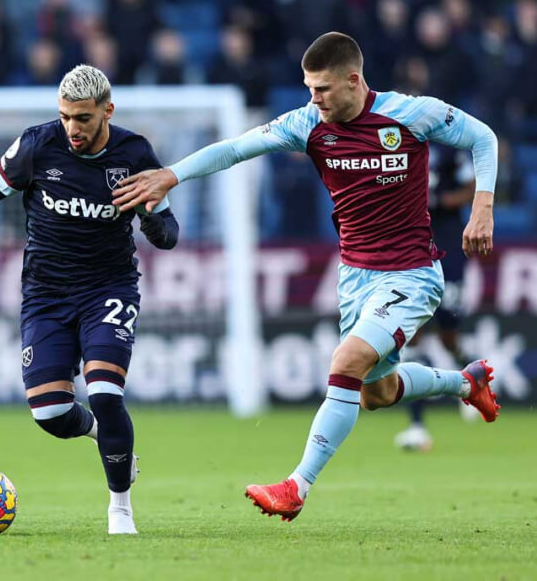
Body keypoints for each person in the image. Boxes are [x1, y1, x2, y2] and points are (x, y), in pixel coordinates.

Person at [112, 32, 500, 521]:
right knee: (376, 393)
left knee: (347, 361)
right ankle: (466, 382)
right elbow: (235, 148)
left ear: (353, 80)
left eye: (322, 89)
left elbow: (482, 137)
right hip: (355, 278)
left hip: (411, 274)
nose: (313, 98)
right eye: (308, 88)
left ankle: (296, 486)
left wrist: (482, 207)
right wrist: (172, 175)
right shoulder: (308, 124)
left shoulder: (410, 113)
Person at [0, 64, 179, 534]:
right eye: (65, 117)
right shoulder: (37, 145)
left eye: (83, 118)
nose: (72, 127)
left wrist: (156, 225)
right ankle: (102, 435)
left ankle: (120, 509)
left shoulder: (135, 154)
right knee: (50, 413)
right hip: (46, 294)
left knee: (105, 393)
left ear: (107, 111)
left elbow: (170, 232)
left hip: (108, 289)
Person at [394, 147, 480, 451]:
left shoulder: (449, 150)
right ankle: (417, 426)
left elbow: (471, 187)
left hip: (449, 251)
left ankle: (472, 379)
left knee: (448, 337)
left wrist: (441, 201)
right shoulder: (396, 145)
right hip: (413, 251)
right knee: (412, 336)